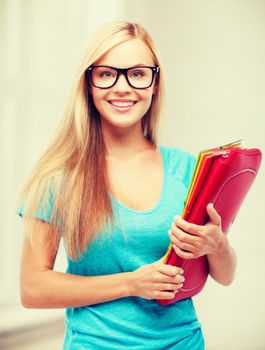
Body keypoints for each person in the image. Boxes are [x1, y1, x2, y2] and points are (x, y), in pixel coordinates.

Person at [17, 21, 237, 350]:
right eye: (106, 74)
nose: (122, 87)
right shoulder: (60, 176)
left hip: (184, 342)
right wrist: (133, 283)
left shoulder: (186, 167)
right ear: (88, 84)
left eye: (137, 74)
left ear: (154, 84)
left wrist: (217, 245)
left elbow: (225, 275)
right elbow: (33, 288)